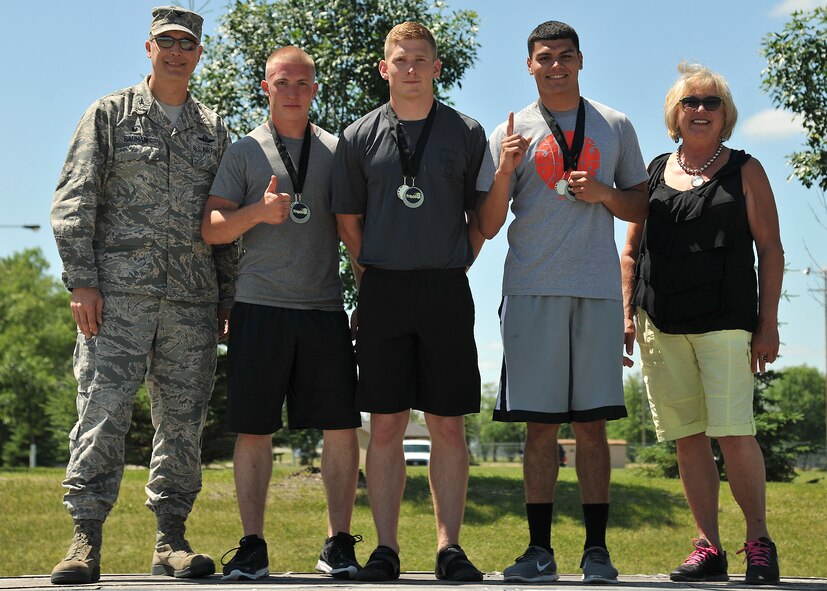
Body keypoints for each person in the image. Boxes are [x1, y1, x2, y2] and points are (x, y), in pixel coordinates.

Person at [49, 6, 235, 585]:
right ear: (148, 48)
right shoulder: (108, 115)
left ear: (199, 54)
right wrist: (81, 280)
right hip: (115, 299)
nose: (177, 51)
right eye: (166, 42)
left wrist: (227, 300)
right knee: (101, 414)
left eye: (187, 43)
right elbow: (74, 200)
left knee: (182, 422)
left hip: (191, 302)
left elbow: (224, 219)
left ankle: (171, 541)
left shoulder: (215, 129)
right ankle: (85, 540)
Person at [476, 20, 648, 584]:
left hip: (596, 291)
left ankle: (597, 551)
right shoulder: (513, 129)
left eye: (565, 56)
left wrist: (603, 194)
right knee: (540, 429)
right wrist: (504, 167)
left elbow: (639, 207)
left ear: (581, 60)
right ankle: (538, 551)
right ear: (529, 65)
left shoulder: (616, 124)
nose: (555, 66)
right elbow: (490, 222)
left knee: (593, 425)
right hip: (530, 290)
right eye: (544, 57)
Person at [332, 21, 486, 583]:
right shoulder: (358, 136)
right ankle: (386, 549)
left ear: (437, 68)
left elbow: (480, 217)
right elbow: (347, 218)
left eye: (422, 59)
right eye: (402, 60)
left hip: (446, 288)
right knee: (387, 423)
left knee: (448, 425)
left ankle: (449, 549)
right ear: (385, 69)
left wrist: (457, 260)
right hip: (383, 290)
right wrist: (371, 267)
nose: (412, 68)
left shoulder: (466, 132)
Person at [201, 46, 362, 581]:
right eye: (281, 81)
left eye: (302, 82)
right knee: (254, 429)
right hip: (259, 307)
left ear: (315, 88)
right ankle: (252, 546)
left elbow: (353, 233)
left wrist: (367, 299)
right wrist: (258, 213)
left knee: (341, 427)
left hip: (323, 309)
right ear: (264, 87)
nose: (292, 90)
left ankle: (338, 543)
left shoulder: (339, 151)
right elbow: (213, 227)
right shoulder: (245, 150)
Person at [621, 62, 783, 585]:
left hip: (726, 321)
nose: (700, 110)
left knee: (734, 431)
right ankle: (709, 549)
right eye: (691, 102)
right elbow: (630, 251)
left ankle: (758, 543)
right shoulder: (652, 171)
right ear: (675, 112)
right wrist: (627, 312)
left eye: (711, 103)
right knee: (688, 437)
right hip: (660, 324)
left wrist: (768, 324)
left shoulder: (745, 169)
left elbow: (772, 250)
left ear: (725, 114)